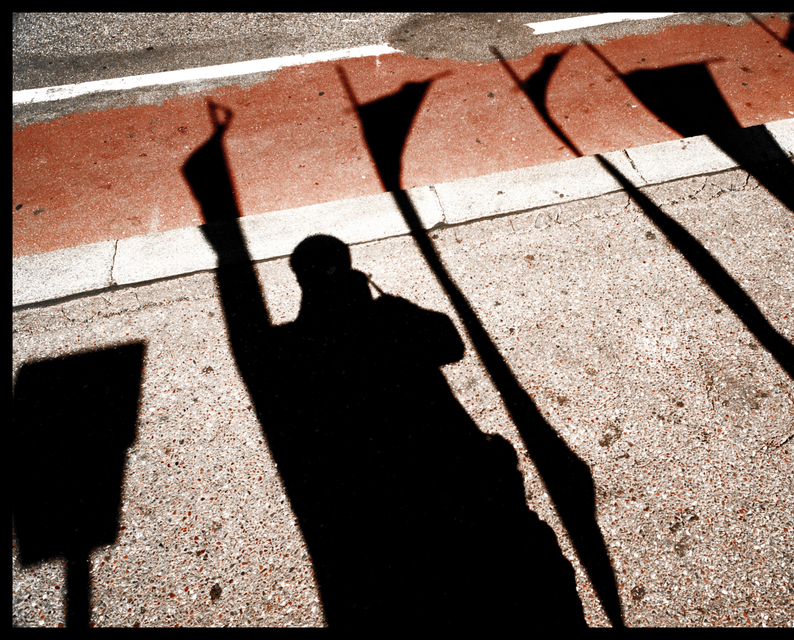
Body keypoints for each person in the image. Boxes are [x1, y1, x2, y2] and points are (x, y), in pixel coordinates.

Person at [183, 102, 586, 627]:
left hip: (376, 517)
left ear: (302, 281)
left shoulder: (289, 348)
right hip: (452, 483)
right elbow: (451, 344)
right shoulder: (390, 317)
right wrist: (386, 299)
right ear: (348, 270)